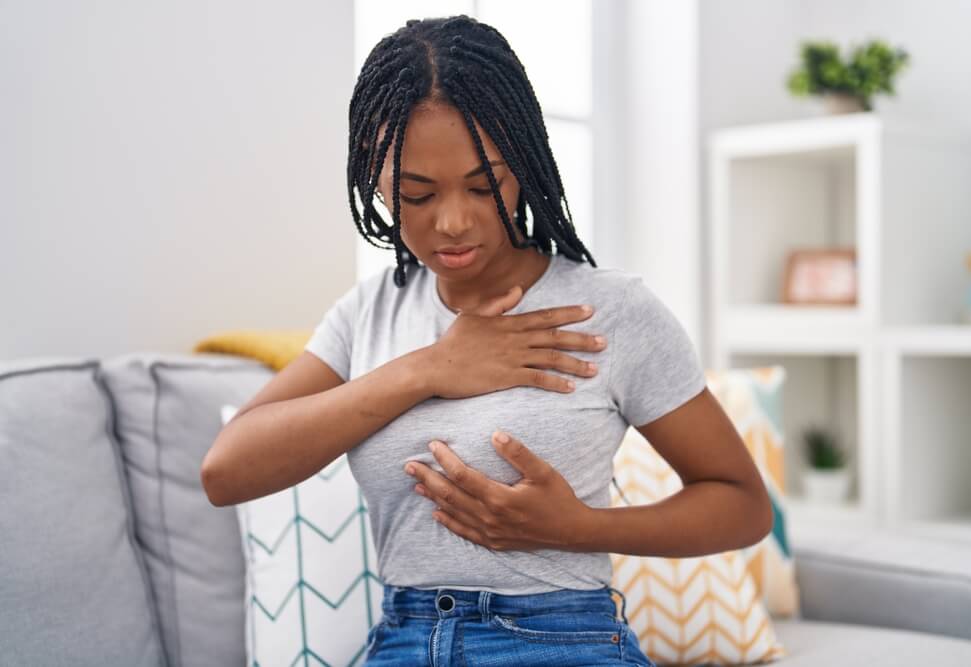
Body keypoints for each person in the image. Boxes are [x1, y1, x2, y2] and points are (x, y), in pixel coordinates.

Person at [201, 14, 773, 666]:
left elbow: (742, 504)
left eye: (483, 184)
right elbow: (226, 469)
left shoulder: (611, 311)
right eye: (416, 194)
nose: (452, 222)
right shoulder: (368, 314)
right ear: (376, 180)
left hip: (560, 638)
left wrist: (579, 529)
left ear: (525, 163)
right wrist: (430, 367)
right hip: (403, 637)